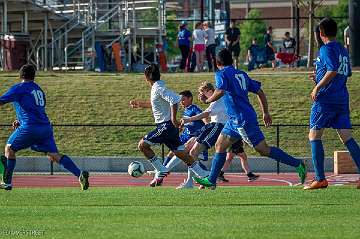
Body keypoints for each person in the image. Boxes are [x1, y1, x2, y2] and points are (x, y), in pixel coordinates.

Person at [193, 49, 307, 189]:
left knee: (263, 149)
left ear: (217, 63)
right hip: (234, 120)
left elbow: (220, 91)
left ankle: (298, 164)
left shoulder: (221, 74)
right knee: (219, 145)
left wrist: (207, 100)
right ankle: (211, 180)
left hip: (242, 120)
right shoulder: (241, 74)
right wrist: (265, 113)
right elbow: (259, 91)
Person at [0, 64, 89, 191]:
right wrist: (20, 120)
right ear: (34, 76)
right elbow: (34, 109)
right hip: (45, 127)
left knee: (9, 149)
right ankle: (79, 174)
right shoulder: (38, 90)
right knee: (54, 155)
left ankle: (7, 182)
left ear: (20, 75)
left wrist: (23, 122)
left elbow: (1, 101)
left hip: (30, 127)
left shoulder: (19, 88)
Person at [129, 64, 209, 187]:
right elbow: (156, 103)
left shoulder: (158, 87)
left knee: (143, 145)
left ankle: (161, 170)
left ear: (146, 77)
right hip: (168, 128)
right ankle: (203, 174)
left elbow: (175, 99)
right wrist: (140, 104)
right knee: (181, 154)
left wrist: (173, 118)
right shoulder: (158, 87)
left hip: (165, 126)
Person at [305, 18, 360, 190]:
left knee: (314, 135)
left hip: (326, 98)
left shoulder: (326, 49)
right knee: (347, 137)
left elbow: (333, 70)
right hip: (341, 98)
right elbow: (346, 72)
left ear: (321, 33)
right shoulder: (343, 50)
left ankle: (320, 179)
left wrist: (317, 86)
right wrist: (319, 76)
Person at [162, 90, 206, 167]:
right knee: (173, 151)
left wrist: (207, 125)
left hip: (193, 137)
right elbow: (187, 122)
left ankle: (163, 170)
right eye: (180, 100)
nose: (181, 102)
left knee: (190, 158)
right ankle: (162, 168)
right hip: (185, 136)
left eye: (183, 99)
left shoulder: (194, 109)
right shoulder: (186, 110)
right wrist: (181, 126)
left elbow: (204, 117)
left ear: (190, 98)